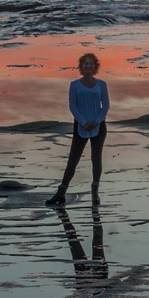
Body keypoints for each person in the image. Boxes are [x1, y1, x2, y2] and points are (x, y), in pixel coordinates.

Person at [47, 52, 109, 205]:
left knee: (96, 159)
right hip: (80, 126)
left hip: (98, 126)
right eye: (85, 63)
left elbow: (105, 106)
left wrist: (96, 121)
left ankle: (95, 192)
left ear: (95, 67)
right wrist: (83, 122)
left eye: (91, 63)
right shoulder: (74, 85)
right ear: (81, 67)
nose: (88, 66)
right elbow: (73, 106)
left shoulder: (102, 84)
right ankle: (61, 192)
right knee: (73, 160)